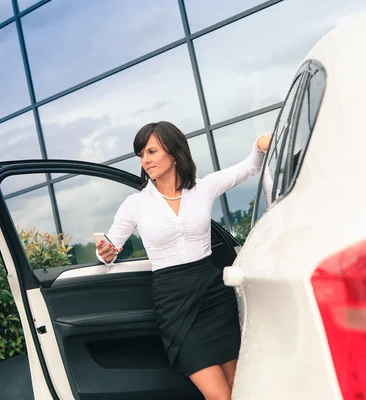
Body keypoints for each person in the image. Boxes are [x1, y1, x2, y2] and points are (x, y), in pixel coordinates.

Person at [96, 121, 270, 400]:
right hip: (173, 301)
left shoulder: (204, 188)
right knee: (219, 395)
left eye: (151, 151)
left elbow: (251, 165)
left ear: (174, 152)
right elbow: (109, 247)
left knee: (241, 388)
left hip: (213, 293)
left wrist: (262, 140)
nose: (145, 160)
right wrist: (104, 253)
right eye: (141, 154)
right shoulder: (135, 204)